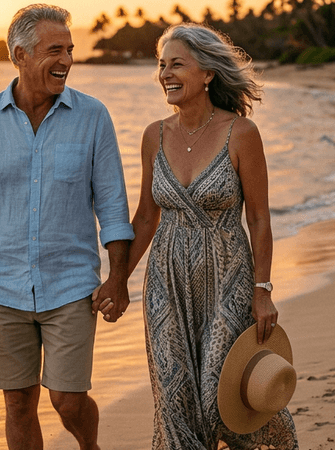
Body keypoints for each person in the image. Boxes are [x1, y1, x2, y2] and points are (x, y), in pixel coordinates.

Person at [0, 4, 133, 450]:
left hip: (71, 285)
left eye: (69, 49)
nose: (65, 60)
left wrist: (117, 278)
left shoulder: (93, 116)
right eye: (54, 50)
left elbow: (114, 207)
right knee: (18, 403)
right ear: (20, 55)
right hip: (3, 287)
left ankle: (90, 447)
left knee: (66, 398)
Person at [95, 23, 298, 449]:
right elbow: (146, 217)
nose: (165, 74)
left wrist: (263, 290)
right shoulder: (155, 135)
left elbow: (259, 219)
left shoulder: (240, 134)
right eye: (161, 65)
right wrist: (118, 279)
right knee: (174, 399)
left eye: (177, 65)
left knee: (217, 396)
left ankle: (275, 440)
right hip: (166, 280)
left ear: (207, 73)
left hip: (228, 276)